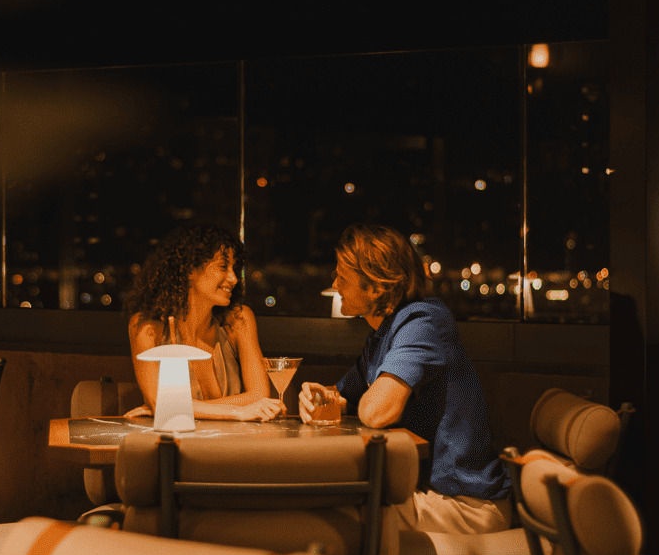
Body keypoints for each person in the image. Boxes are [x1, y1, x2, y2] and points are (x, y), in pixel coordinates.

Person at [300, 224, 512, 533]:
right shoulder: (383, 334)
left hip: (466, 506)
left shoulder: (424, 320)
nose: (334, 285)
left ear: (374, 286)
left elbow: (376, 411)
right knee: (325, 505)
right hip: (430, 495)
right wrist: (316, 397)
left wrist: (347, 401)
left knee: (334, 516)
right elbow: (342, 395)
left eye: (342, 277)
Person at [124, 224, 284, 421]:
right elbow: (160, 403)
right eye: (223, 267)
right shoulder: (146, 328)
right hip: (177, 445)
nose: (233, 278)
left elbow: (260, 395)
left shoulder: (238, 320)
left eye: (235, 268)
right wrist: (238, 411)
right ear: (190, 270)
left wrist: (180, 407)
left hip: (234, 445)